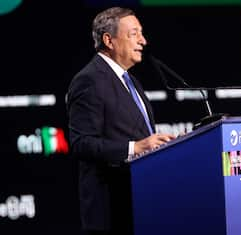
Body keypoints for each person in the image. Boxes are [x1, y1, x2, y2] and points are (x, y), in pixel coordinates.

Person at [66, 7, 175, 235]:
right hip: (112, 212)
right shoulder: (89, 80)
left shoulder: (132, 81)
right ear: (109, 40)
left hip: (143, 205)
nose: (143, 41)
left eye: (141, 33)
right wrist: (135, 147)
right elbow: (81, 143)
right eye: (134, 34)